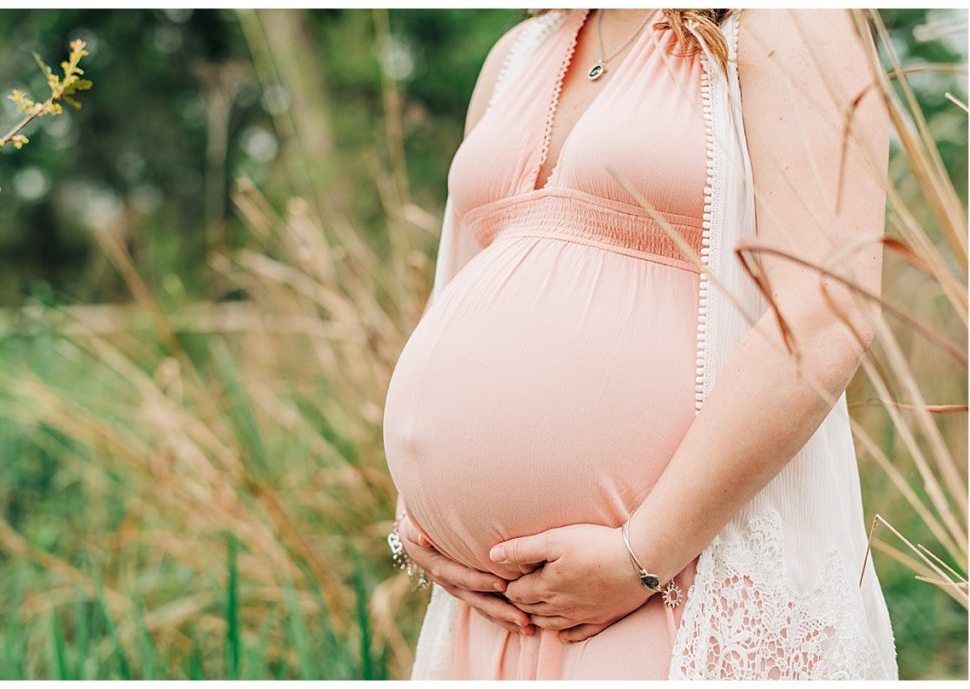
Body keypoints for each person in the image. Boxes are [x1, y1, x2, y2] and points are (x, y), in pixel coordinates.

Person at [382, 7, 894, 680]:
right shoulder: (520, 51)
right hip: (491, 608)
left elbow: (827, 309)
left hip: (677, 582)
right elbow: (457, 288)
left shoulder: (784, 21)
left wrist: (641, 555)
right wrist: (423, 515)